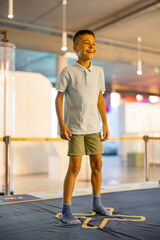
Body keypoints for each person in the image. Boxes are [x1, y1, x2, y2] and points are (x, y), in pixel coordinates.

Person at [55, 30, 112, 225]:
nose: (91, 46)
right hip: (75, 128)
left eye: (94, 43)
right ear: (75, 48)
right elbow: (59, 97)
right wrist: (61, 124)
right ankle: (66, 210)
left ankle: (97, 203)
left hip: (94, 128)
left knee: (98, 165)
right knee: (75, 167)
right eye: (86, 42)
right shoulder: (68, 71)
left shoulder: (99, 72)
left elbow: (99, 99)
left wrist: (104, 123)